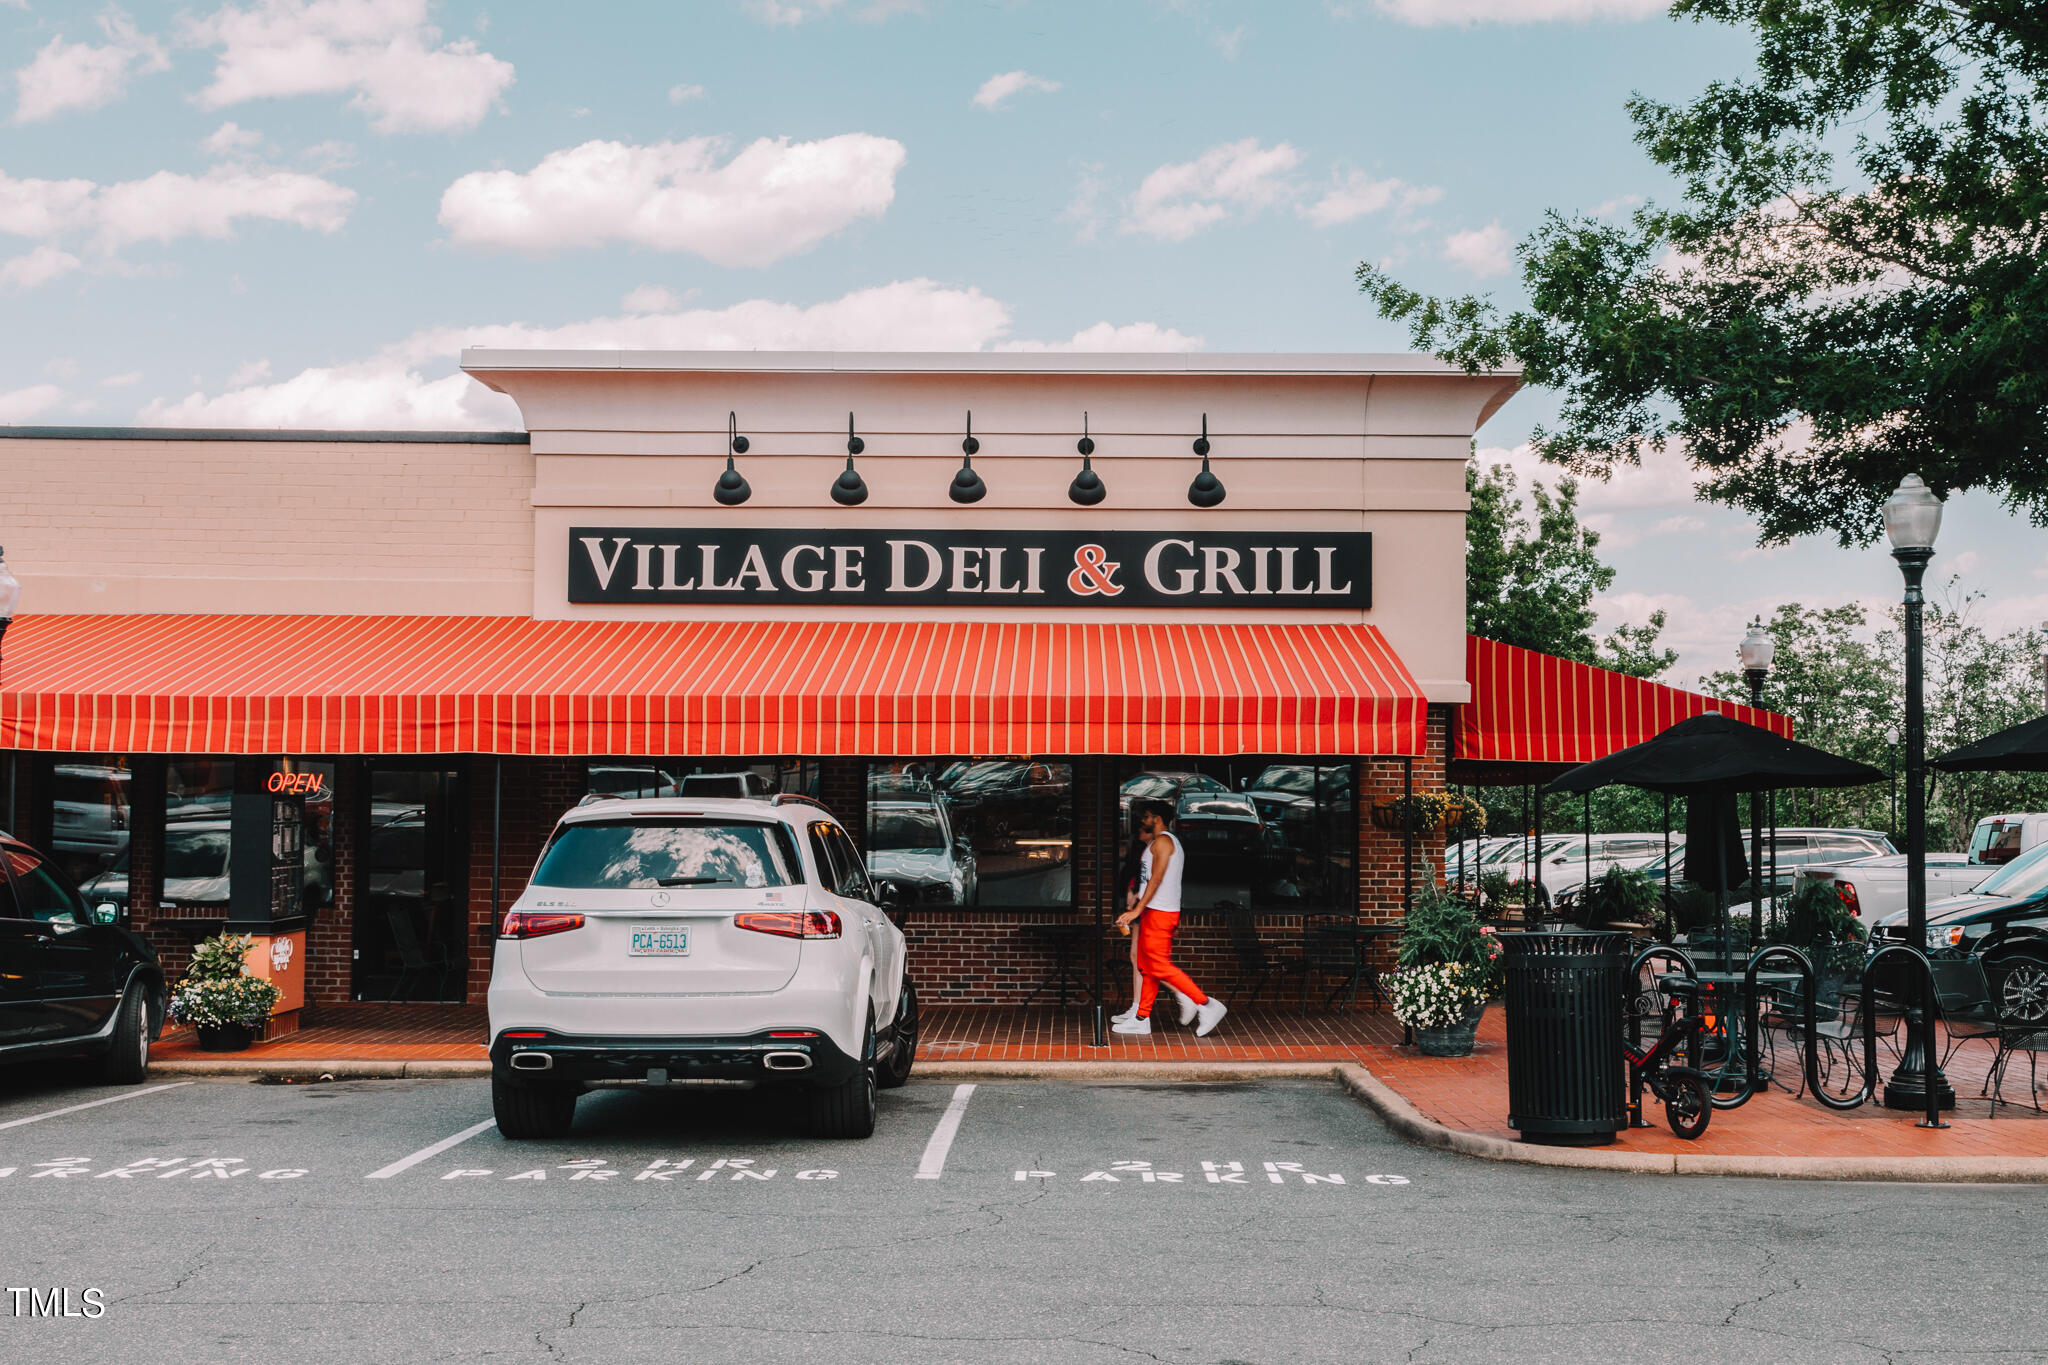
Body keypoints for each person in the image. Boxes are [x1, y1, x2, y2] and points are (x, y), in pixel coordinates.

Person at [1112, 800, 1226, 1037]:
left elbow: (1157, 879)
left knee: (1158, 965)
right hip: (1154, 911)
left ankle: (1205, 1003)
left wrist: (1136, 911)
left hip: (1160, 912)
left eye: (1146, 817)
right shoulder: (1157, 842)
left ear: (1156, 818)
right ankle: (1141, 1018)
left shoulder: (1164, 841)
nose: (1142, 821)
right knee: (1146, 966)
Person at [1111, 823, 1193, 1026]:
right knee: (1137, 957)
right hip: (1143, 905)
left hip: (1152, 908)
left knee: (1150, 961)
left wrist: (1137, 904)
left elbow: (1154, 880)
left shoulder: (1161, 845)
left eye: (1144, 825)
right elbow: (1141, 877)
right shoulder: (1146, 848)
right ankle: (1137, 1008)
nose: (1139, 828)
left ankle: (1187, 995)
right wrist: (1133, 892)